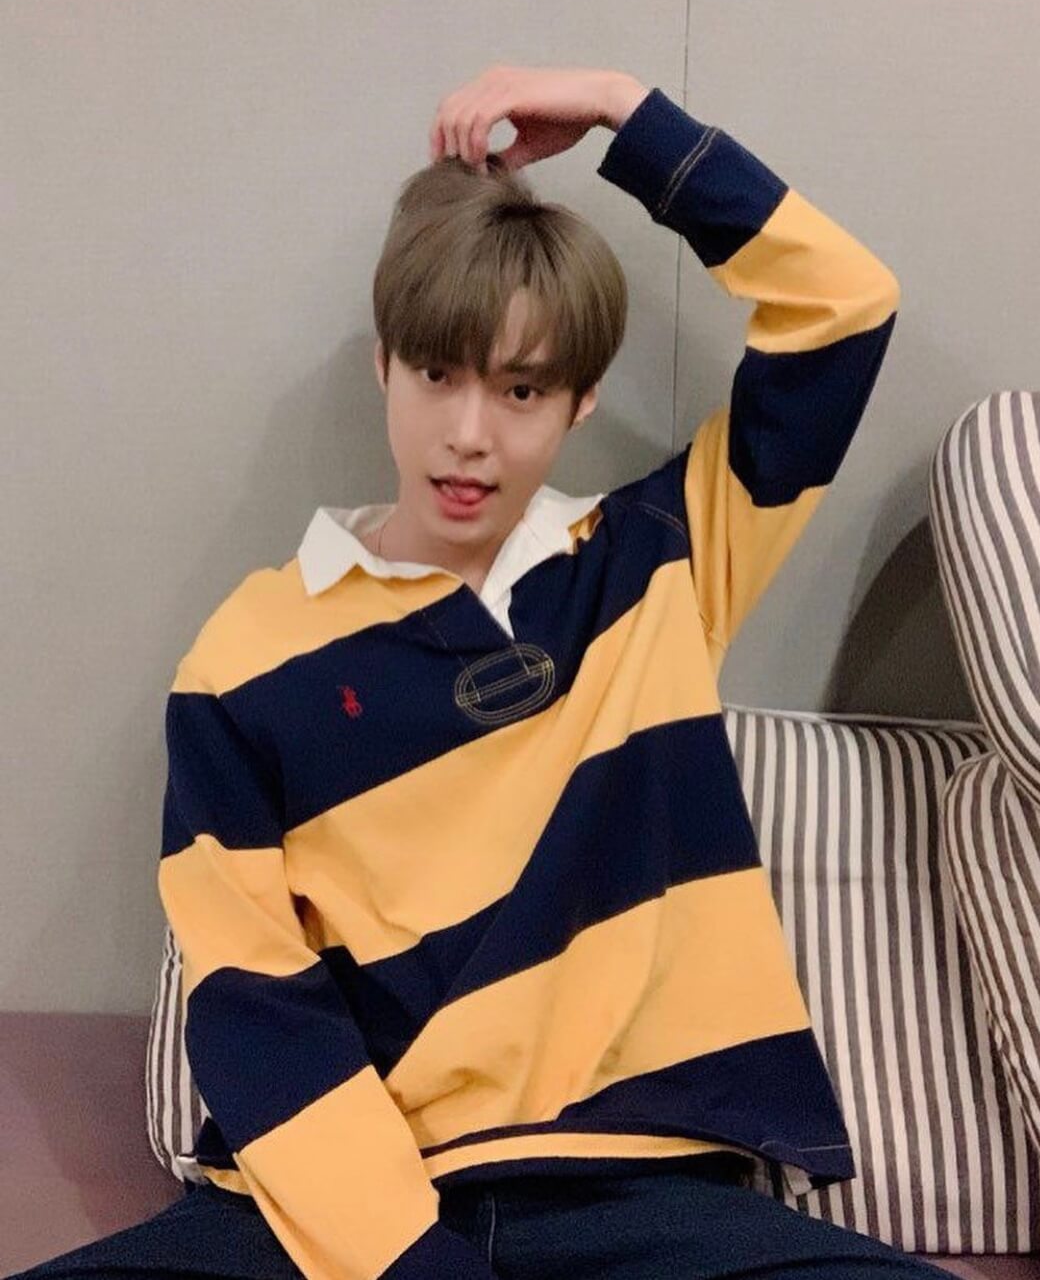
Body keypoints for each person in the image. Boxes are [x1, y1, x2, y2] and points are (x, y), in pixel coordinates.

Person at [7, 65, 946, 1280]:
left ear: (580, 400)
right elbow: (254, 1002)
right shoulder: (244, 660)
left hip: (649, 1202)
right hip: (337, 1224)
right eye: (438, 374)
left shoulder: (660, 561)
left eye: (520, 389)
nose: (468, 435)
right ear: (384, 366)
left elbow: (844, 310)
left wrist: (620, 109)